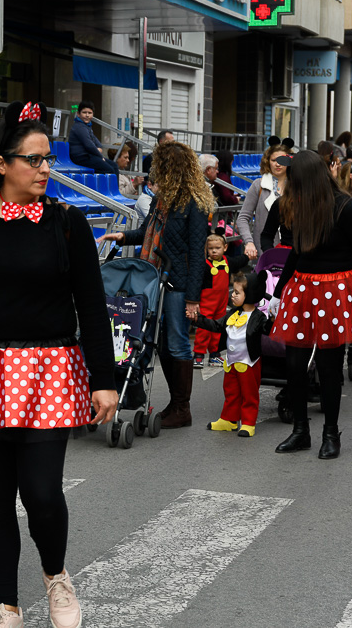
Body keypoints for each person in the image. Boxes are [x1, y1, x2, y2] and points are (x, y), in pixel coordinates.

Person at [0, 100, 118, 628]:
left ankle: (55, 576)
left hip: (49, 369)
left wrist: (106, 380)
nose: (45, 170)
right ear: (0, 164)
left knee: (40, 491)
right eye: (34, 160)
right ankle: (6, 604)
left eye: (48, 160)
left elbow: (91, 304)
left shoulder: (67, 222)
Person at [269, 151, 352, 460]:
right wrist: (277, 292)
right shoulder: (300, 205)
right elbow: (296, 251)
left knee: (330, 368)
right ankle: (301, 431)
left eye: (292, 176)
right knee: (293, 364)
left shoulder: (346, 208)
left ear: (306, 178)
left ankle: (331, 434)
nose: (287, 180)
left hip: (336, 288)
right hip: (302, 287)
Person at [103, 141, 215, 429]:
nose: (154, 172)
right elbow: (146, 232)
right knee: (161, 343)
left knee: (177, 343)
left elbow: (196, 253)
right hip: (154, 280)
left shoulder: (195, 204)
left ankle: (182, 408)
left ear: (171, 169)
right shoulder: (161, 199)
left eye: (159, 167)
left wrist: (192, 298)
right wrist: (124, 238)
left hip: (177, 283)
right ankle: (175, 405)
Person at [193, 270, 271, 437]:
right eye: (233, 291)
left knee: (249, 394)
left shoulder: (258, 317)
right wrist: (197, 319)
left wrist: (272, 318)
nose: (232, 295)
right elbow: (216, 326)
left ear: (249, 294)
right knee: (231, 391)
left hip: (249, 363)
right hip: (231, 362)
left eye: (237, 292)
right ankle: (229, 420)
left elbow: (268, 330)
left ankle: (248, 422)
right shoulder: (233, 313)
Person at [193, 233, 248, 369]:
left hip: (221, 304)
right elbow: (196, 283)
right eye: (211, 248)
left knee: (219, 329)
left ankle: (214, 355)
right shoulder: (204, 265)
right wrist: (194, 301)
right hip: (206, 303)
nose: (214, 251)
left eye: (217, 247)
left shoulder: (227, 261)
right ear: (206, 249)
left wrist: (248, 256)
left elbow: (239, 261)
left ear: (225, 247)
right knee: (203, 329)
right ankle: (198, 355)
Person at [236, 145, 289, 259]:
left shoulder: (297, 186)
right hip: (264, 252)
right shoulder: (258, 185)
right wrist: (249, 242)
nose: (277, 164)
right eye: (274, 160)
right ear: (267, 161)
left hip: (291, 251)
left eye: (281, 160)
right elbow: (242, 218)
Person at [68, 100, 119, 174]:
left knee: (114, 166)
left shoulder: (87, 127)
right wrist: (100, 156)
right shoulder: (79, 127)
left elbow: (97, 143)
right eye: (84, 112)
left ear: (93, 114)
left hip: (88, 156)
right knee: (109, 170)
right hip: (80, 158)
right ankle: (105, 186)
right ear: (78, 114)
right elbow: (89, 145)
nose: (87, 115)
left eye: (90, 113)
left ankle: (115, 186)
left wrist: (99, 149)